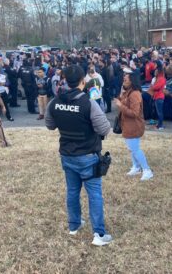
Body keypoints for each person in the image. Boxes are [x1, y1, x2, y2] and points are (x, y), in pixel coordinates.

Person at [45, 65, 112, 246]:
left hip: (67, 155)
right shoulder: (88, 103)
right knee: (95, 194)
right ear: (83, 81)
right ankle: (99, 234)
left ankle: (74, 225)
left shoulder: (55, 101)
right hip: (88, 155)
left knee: (72, 191)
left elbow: (49, 125)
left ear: (65, 79)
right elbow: (105, 128)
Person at [113, 73, 153, 181]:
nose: (123, 81)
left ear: (132, 81)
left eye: (125, 80)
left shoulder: (135, 94)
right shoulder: (128, 92)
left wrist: (121, 106)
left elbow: (135, 113)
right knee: (131, 149)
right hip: (127, 125)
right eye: (123, 79)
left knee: (135, 149)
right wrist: (121, 96)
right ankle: (136, 167)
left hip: (134, 125)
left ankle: (147, 170)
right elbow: (124, 104)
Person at [151, 62, 166, 130]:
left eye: (156, 71)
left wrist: (153, 86)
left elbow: (155, 87)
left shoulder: (161, 79)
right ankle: (159, 124)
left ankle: (160, 125)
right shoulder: (160, 78)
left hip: (159, 97)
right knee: (159, 112)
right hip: (158, 96)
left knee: (160, 112)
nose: (155, 72)